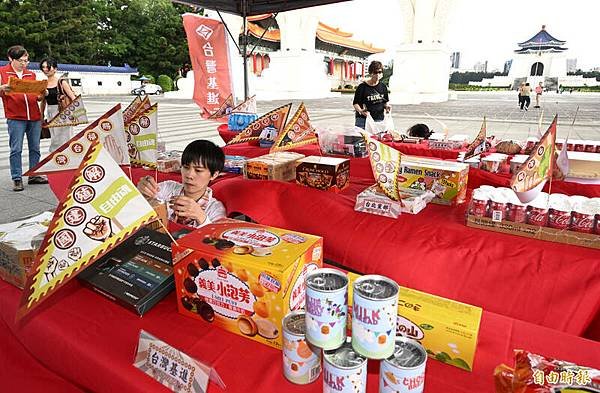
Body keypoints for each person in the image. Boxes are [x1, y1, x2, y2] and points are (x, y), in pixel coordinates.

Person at [137, 140, 225, 228]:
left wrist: (201, 217)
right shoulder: (168, 189)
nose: (189, 175)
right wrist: (143, 191)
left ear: (214, 175)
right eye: (186, 167)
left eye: (198, 170)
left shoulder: (215, 209)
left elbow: (215, 237)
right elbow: (139, 203)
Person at [0, 45, 47, 191]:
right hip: (15, 116)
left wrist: (41, 94)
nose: (24, 64)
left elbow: (35, 97)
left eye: (26, 61)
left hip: (33, 115)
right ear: (10, 59)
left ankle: (33, 174)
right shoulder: (3, 72)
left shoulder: (30, 75)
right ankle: (17, 178)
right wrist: (2, 88)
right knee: (16, 149)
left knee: (35, 147)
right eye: (21, 61)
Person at [39, 57, 76, 152]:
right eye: (43, 67)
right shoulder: (43, 84)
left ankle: (68, 156)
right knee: (55, 137)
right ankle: (56, 157)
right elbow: (43, 102)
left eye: (48, 67)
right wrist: (41, 116)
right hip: (51, 112)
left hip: (63, 112)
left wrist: (75, 115)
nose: (45, 69)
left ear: (55, 69)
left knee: (65, 137)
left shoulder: (61, 82)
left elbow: (74, 98)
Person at [352, 60, 391, 129]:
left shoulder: (383, 87)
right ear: (370, 73)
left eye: (380, 72)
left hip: (379, 120)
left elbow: (385, 102)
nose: (377, 75)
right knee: (362, 139)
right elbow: (355, 103)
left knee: (378, 139)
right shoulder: (362, 87)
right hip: (363, 120)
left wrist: (387, 107)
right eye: (375, 72)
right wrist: (361, 111)